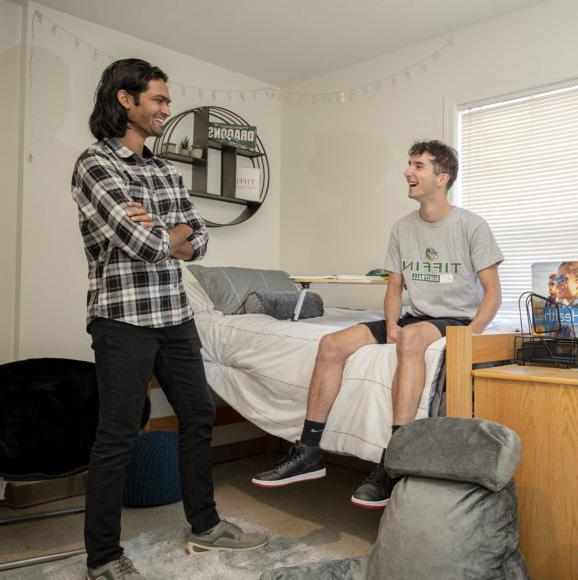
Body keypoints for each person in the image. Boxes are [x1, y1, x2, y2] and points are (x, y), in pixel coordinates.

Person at [72, 58, 266, 580]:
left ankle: (204, 526)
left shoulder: (163, 170)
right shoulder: (95, 165)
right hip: (121, 318)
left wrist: (165, 231)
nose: (166, 109)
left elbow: (196, 241)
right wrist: (167, 232)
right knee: (117, 435)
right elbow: (146, 241)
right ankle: (104, 558)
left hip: (175, 314)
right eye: (158, 99)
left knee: (198, 415)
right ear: (125, 100)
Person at [252, 140, 503, 508]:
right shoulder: (403, 228)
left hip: (455, 317)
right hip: (414, 314)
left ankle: (395, 459)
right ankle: (308, 452)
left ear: (442, 177)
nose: (408, 172)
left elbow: (493, 293)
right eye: (409, 164)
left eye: (418, 166)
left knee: (413, 339)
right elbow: (395, 287)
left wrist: (469, 336)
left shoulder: (471, 226)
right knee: (331, 344)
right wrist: (390, 324)